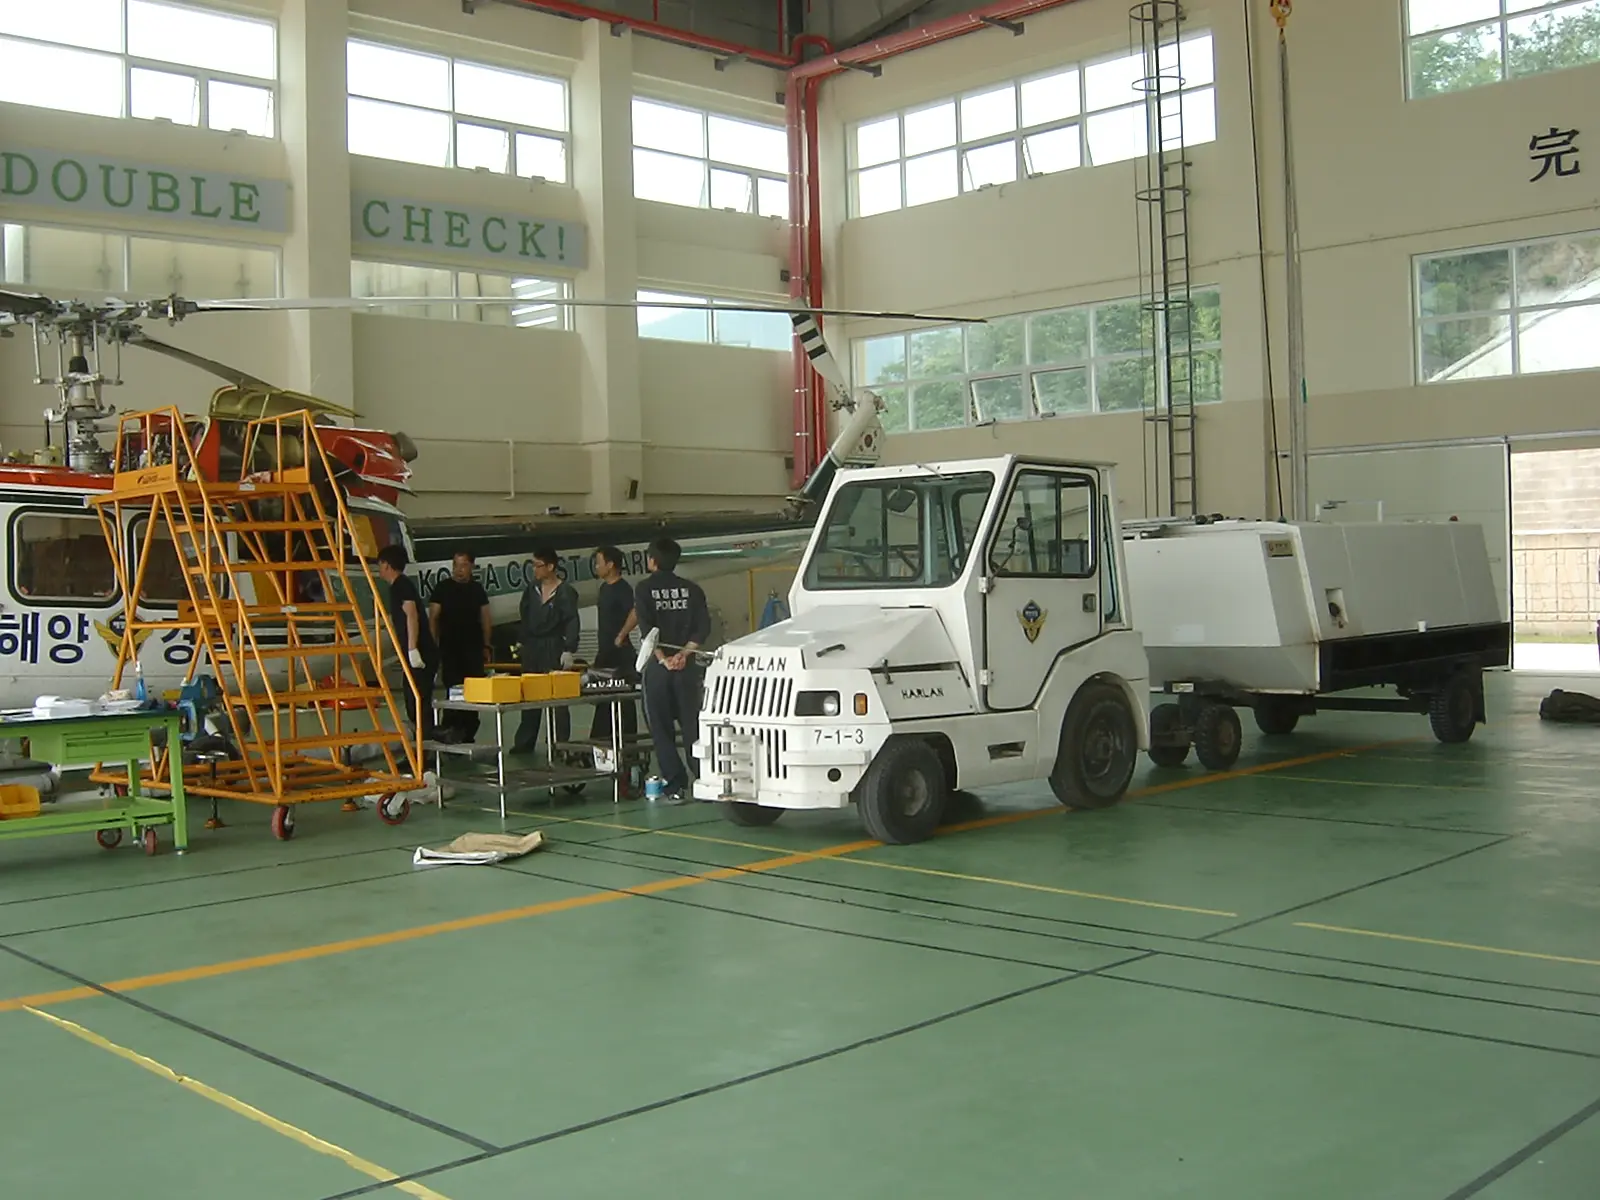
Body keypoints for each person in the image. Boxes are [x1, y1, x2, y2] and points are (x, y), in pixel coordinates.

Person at [634, 537, 710, 804]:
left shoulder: (644, 589)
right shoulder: (692, 589)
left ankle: (675, 785)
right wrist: (683, 655)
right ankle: (705, 779)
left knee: (661, 729)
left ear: (652, 561)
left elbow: (647, 630)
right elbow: (702, 628)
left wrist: (664, 659)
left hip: (658, 670)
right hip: (687, 670)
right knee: (693, 727)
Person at [512, 545, 580, 756]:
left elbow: (572, 621)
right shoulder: (531, 590)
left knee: (557, 699)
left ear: (551, 566)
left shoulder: (565, 592)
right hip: (532, 646)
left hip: (554, 646)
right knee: (530, 694)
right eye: (533, 565)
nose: (535, 570)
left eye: (538, 565)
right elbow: (524, 615)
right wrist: (521, 642)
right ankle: (525, 742)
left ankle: (560, 745)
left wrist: (569, 648)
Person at [428, 550, 492, 743]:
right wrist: (433, 645)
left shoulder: (477, 590)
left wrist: (487, 645)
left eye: (463, 565)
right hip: (450, 649)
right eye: (456, 565)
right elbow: (433, 617)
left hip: (473, 649)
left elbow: (486, 618)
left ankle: (468, 732)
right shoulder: (442, 588)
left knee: (473, 692)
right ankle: (450, 730)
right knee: (454, 692)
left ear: (471, 566)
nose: (458, 570)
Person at [375, 545, 438, 742]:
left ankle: (425, 750)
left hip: (420, 653)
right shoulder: (398, 586)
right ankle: (421, 748)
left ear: (386, 564)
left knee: (417, 702)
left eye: (380, 564)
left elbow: (411, 615)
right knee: (414, 702)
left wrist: (412, 648)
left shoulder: (401, 585)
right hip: (415, 653)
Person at [589, 545, 639, 744]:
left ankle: (627, 741)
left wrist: (622, 635)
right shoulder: (604, 588)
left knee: (623, 700)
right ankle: (600, 742)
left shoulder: (622, 588)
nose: (596, 567)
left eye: (599, 562)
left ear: (610, 565)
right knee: (603, 698)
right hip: (605, 652)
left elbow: (635, 612)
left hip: (620, 654)